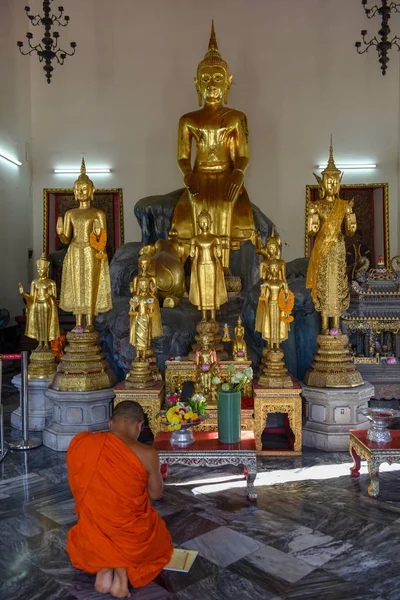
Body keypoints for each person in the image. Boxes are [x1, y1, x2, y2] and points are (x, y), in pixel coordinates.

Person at [66, 401, 173, 597]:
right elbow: (156, 494)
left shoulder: (83, 443)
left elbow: (77, 484)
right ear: (139, 425)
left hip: (93, 533)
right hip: (132, 537)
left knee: (100, 518)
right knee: (158, 535)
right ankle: (121, 575)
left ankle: (105, 567)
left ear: (110, 422)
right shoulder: (147, 453)